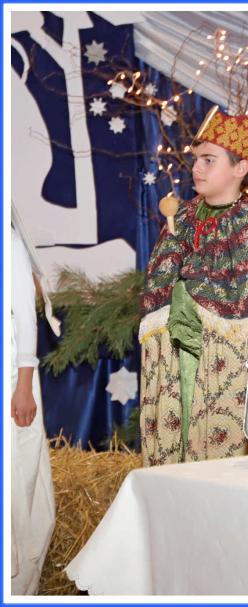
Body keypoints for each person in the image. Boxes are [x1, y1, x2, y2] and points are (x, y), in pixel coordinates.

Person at [139, 107, 248, 466]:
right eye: (197, 159)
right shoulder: (182, 218)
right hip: (176, 361)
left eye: (209, 160)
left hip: (222, 371)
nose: (197, 168)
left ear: (240, 168)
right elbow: (158, 285)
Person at [10, 227, 55, 594]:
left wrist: (23, 386)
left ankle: (18, 583)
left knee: (17, 476)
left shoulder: (8, 242)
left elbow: (26, 317)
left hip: (10, 375)